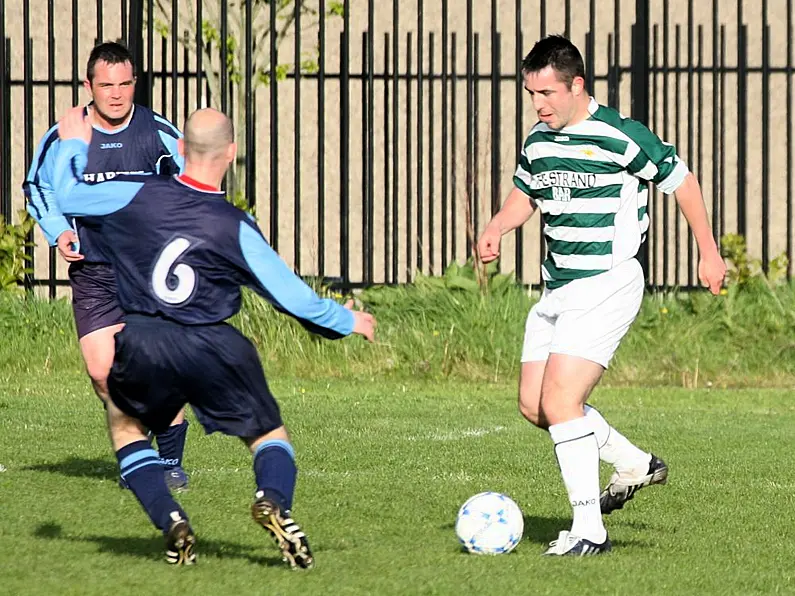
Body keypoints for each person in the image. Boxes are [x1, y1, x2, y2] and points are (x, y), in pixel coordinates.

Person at [51, 106, 376, 568]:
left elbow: (67, 195)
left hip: (144, 339)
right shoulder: (235, 225)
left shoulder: (134, 195)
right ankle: (273, 500)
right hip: (215, 346)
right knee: (267, 436)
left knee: (125, 427)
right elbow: (295, 300)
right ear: (232, 154)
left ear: (180, 150)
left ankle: (171, 519)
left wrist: (73, 143)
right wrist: (346, 321)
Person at [477, 35, 726, 556]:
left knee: (562, 400)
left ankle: (589, 529)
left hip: (607, 283)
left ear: (577, 85)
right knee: (533, 405)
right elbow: (526, 195)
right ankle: (634, 463)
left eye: (547, 93)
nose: (539, 104)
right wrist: (498, 226)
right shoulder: (537, 141)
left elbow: (682, 181)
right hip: (557, 289)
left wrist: (708, 251)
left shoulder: (619, 135)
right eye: (531, 94)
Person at [22, 41, 191, 490]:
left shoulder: (157, 133)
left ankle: (167, 462)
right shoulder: (66, 134)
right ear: (88, 86)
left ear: (134, 83)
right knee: (102, 372)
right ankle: (137, 439)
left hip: (147, 271)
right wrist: (59, 231)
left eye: (124, 84)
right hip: (94, 268)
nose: (116, 94)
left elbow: (195, 184)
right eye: (106, 85)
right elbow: (38, 186)